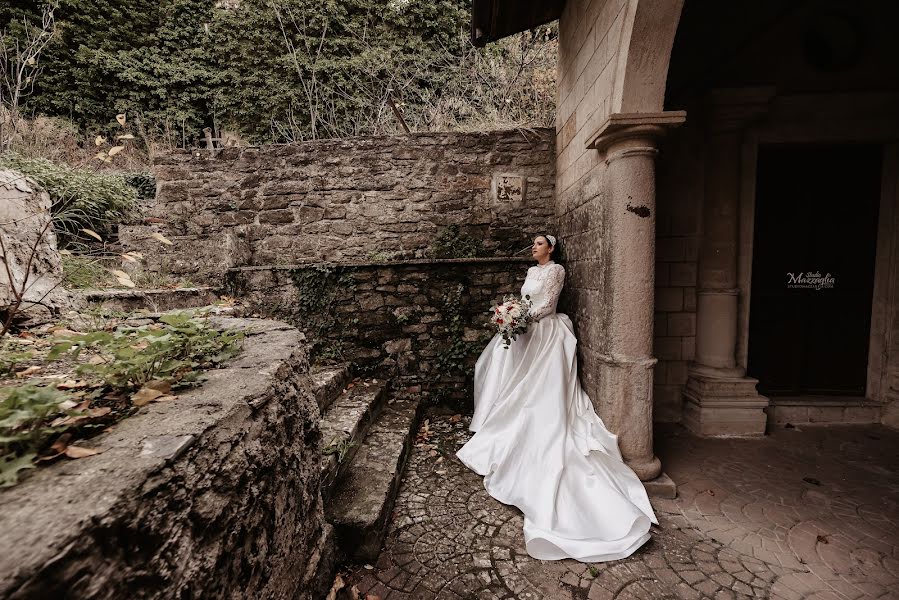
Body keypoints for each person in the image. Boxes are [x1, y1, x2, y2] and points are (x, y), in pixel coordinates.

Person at [455, 234, 658, 562]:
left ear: (550, 248)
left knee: (540, 395)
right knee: (493, 368)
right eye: (532, 245)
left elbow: (547, 305)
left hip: (547, 332)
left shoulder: (556, 271)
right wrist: (513, 314)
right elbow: (526, 298)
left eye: (537, 244)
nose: (533, 248)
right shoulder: (532, 271)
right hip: (526, 331)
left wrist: (521, 318)